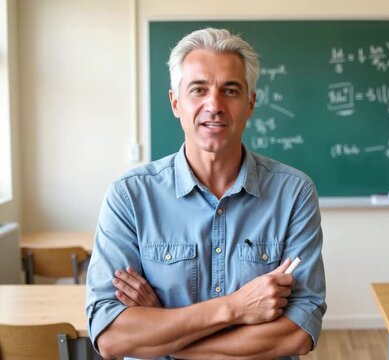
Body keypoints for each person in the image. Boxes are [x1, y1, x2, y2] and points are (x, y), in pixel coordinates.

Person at [85, 28, 326, 360]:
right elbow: (111, 336)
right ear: (175, 102)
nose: (214, 105)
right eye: (198, 90)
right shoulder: (129, 196)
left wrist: (165, 333)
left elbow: (297, 333)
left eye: (230, 90)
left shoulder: (294, 193)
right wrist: (235, 307)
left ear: (251, 103)